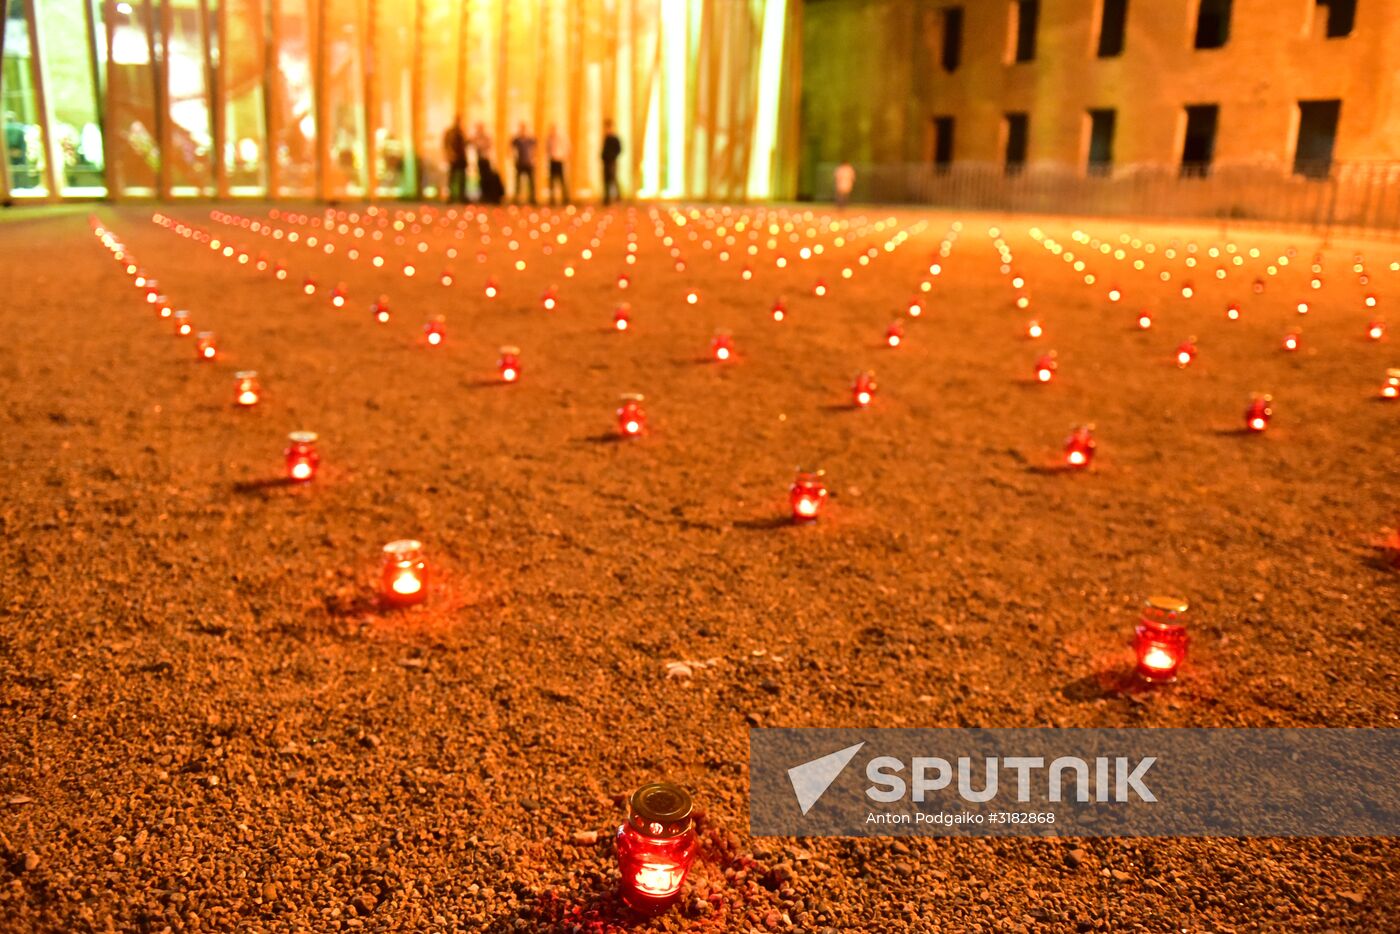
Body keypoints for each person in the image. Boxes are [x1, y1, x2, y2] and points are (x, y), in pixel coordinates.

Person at [473, 123, 501, 205]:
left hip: (486, 160)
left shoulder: (486, 137)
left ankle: (489, 195)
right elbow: (474, 145)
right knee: (481, 179)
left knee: (487, 178)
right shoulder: (476, 137)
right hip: (480, 160)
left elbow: (488, 146)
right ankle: (483, 195)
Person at [510, 122, 537, 205]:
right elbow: (511, 150)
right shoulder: (516, 140)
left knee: (531, 182)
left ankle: (532, 199)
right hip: (519, 163)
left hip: (529, 163)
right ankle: (517, 198)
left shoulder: (531, 140)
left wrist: (534, 159)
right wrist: (513, 159)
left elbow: (535, 150)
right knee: (518, 182)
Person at [443, 116, 468, 203]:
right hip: (454, 157)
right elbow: (447, 144)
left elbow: (464, 144)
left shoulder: (461, 132)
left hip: (462, 158)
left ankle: (461, 196)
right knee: (452, 178)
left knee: (462, 178)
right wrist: (449, 154)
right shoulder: (451, 132)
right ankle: (451, 196)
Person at [545, 125, 570, 206]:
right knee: (552, 181)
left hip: (560, 160)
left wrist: (565, 157)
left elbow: (567, 148)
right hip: (552, 161)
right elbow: (547, 149)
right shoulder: (549, 139)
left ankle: (565, 198)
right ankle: (552, 199)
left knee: (562, 180)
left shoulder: (562, 139)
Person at [601, 119, 623, 206]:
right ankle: (607, 198)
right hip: (606, 162)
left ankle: (618, 197)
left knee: (613, 179)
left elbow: (619, 150)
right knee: (606, 180)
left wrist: (612, 156)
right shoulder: (606, 138)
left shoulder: (615, 138)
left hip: (612, 161)